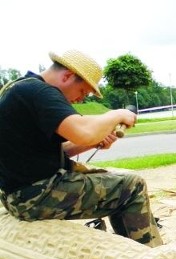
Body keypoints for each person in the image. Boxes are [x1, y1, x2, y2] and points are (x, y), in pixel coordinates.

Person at [0, 49, 162, 247]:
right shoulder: (40, 92)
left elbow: (50, 152)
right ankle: (152, 256)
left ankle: (131, 250)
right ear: (67, 76)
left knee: (121, 185)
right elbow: (83, 130)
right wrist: (117, 114)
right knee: (132, 186)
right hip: (36, 195)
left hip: (19, 194)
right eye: (83, 91)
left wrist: (93, 142)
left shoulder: (20, 88)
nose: (81, 99)